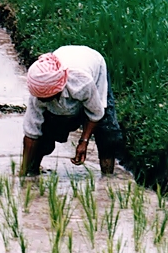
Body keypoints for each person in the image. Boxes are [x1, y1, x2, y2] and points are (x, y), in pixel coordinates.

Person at [20, 45, 124, 176]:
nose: (42, 101)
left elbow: (96, 113)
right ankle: (33, 170)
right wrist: (23, 174)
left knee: (106, 132)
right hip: (65, 62)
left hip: (93, 66)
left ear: (57, 91)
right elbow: (31, 133)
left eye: (46, 98)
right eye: (40, 98)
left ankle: (108, 179)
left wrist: (83, 141)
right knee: (44, 135)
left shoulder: (82, 83)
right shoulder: (39, 90)